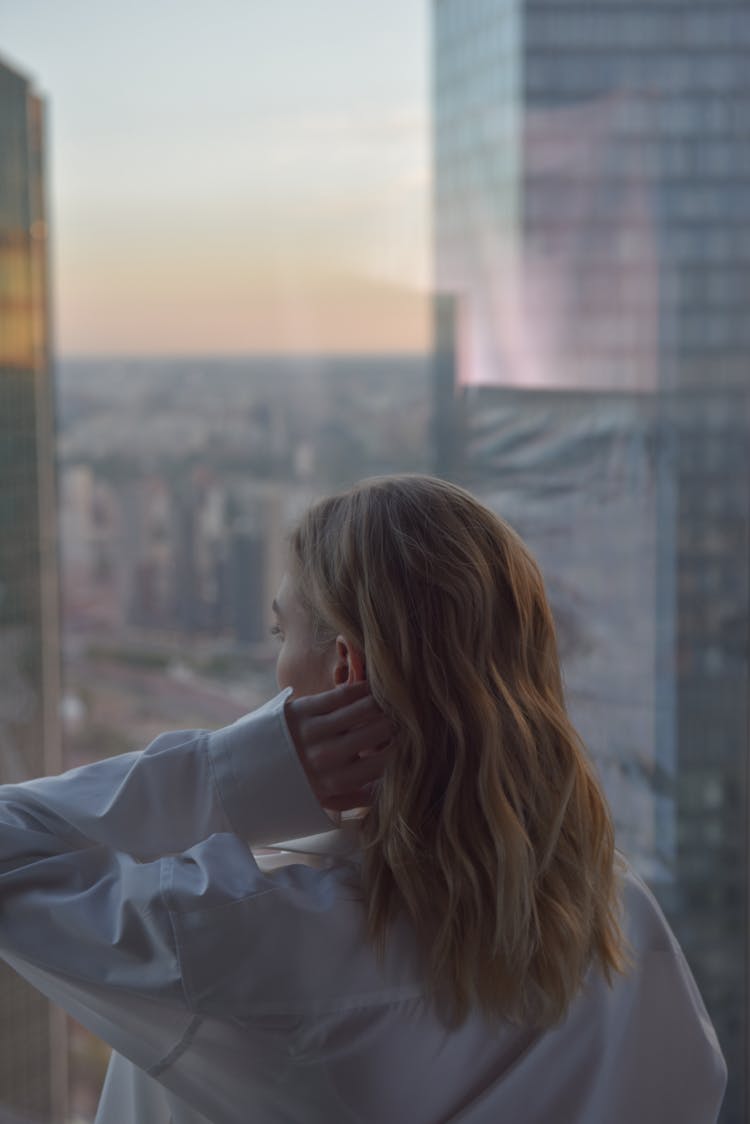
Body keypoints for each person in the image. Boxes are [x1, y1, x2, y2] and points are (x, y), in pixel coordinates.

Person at [0, 474, 726, 1124]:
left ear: (344, 666)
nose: (274, 663)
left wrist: (237, 772)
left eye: (283, 632)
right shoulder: (615, 914)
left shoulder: (244, 928)